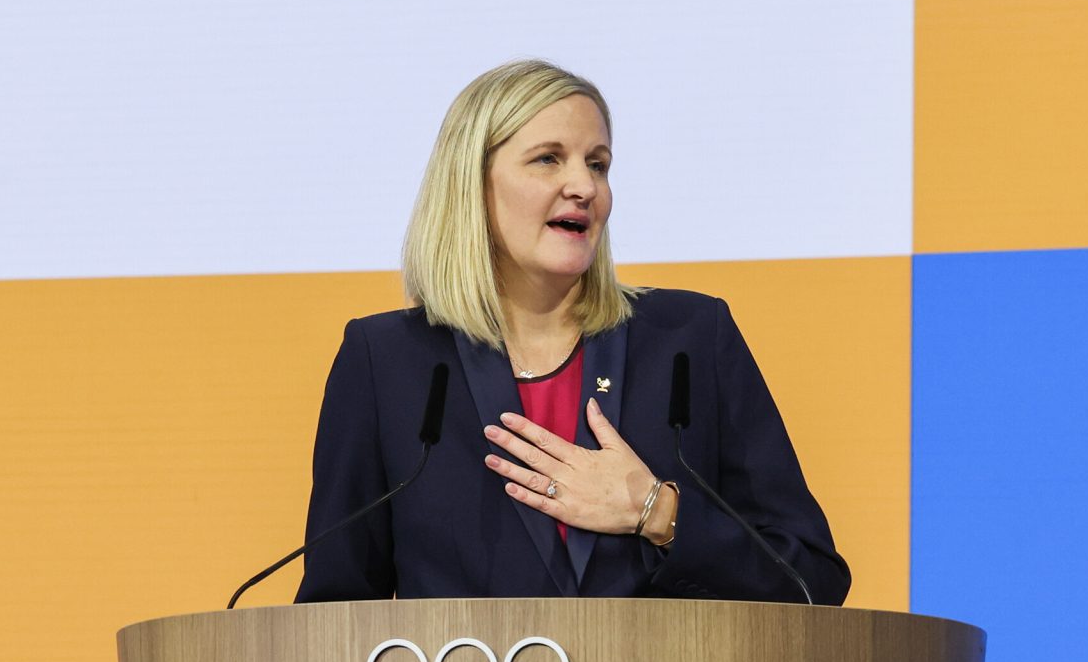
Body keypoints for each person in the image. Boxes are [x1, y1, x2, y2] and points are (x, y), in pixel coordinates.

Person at [294, 60, 849, 604]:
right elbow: (334, 617)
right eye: (548, 159)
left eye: (598, 165)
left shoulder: (690, 339)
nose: (584, 186)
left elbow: (812, 582)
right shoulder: (386, 361)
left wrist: (656, 512)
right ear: (471, 185)